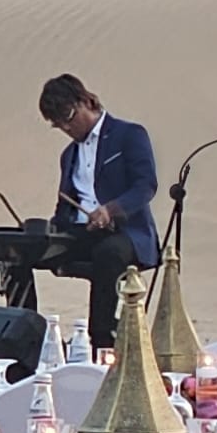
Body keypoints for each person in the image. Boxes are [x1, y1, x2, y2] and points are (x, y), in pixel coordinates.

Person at [41, 74, 159, 351]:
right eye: (58, 124)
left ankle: (101, 339)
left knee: (108, 253)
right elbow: (66, 203)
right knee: (22, 250)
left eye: (68, 116)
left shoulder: (129, 135)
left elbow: (145, 186)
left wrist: (110, 210)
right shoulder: (68, 155)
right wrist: (47, 230)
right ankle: (29, 333)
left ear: (86, 101)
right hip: (81, 231)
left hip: (126, 233)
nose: (66, 127)